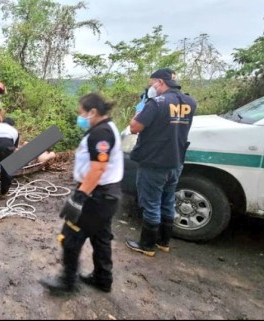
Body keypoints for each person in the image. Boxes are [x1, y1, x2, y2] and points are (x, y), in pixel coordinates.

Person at [40, 93, 123, 294]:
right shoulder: (107, 128)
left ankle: (67, 283)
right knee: (100, 237)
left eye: (82, 113)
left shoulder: (100, 133)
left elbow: (97, 169)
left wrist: (79, 197)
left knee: (70, 236)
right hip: (107, 195)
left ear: (92, 112)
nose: (81, 117)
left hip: (96, 195)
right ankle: (103, 279)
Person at [126, 68, 197, 257]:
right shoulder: (190, 102)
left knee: (151, 203)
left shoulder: (156, 103)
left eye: (152, 84)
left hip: (154, 161)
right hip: (176, 161)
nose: (152, 88)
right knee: (168, 201)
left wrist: (141, 109)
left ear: (160, 82)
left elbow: (134, 128)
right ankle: (163, 242)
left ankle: (147, 245)